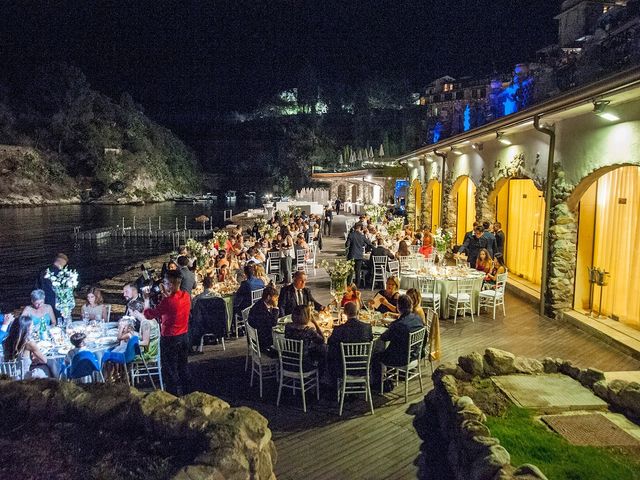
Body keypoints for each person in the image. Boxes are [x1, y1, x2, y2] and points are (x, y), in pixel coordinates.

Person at [142, 270, 192, 396]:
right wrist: (165, 293)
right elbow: (171, 305)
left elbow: (148, 314)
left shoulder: (168, 302)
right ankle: (187, 393)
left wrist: (146, 300)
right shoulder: (185, 296)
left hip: (170, 338)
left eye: (165, 282)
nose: (162, 284)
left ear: (170, 284)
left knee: (170, 370)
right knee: (183, 366)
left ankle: (172, 396)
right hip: (184, 336)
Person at [376, 295, 424, 377]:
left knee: (375, 355)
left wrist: (389, 326)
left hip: (401, 359)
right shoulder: (418, 318)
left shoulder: (399, 325)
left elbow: (384, 337)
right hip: (415, 354)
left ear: (398, 307)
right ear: (411, 306)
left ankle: (379, 384)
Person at [327, 301, 373, 380]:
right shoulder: (367, 327)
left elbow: (329, 342)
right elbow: (371, 339)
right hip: (363, 366)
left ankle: (329, 383)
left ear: (344, 312)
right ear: (358, 312)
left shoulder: (339, 329)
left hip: (343, 368)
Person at [284, 305, 326, 370]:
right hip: (304, 365)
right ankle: (322, 376)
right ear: (307, 316)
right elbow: (322, 340)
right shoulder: (308, 330)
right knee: (324, 349)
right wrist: (315, 322)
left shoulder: (288, 327)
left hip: (288, 362)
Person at [247, 284, 280, 358]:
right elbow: (273, 323)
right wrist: (275, 308)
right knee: (283, 350)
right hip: (262, 342)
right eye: (275, 298)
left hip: (260, 334)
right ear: (268, 297)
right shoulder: (260, 309)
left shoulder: (261, 303)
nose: (276, 300)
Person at [35, 252, 68, 319]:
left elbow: (37, 287)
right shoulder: (61, 274)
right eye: (63, 265)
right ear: (61, 263)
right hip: (57, 304)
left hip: (43, 302)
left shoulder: (42, 271)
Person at [345, 223, 374, 288]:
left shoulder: (351, 235)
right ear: (360, 228)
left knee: (350, 272)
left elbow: (347, 245)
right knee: (358, 271)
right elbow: (369, 243)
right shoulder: (362, 236)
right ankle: (357, 286)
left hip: (352, 255)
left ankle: (348, 285)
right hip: (359, 256)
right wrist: (375, 249)